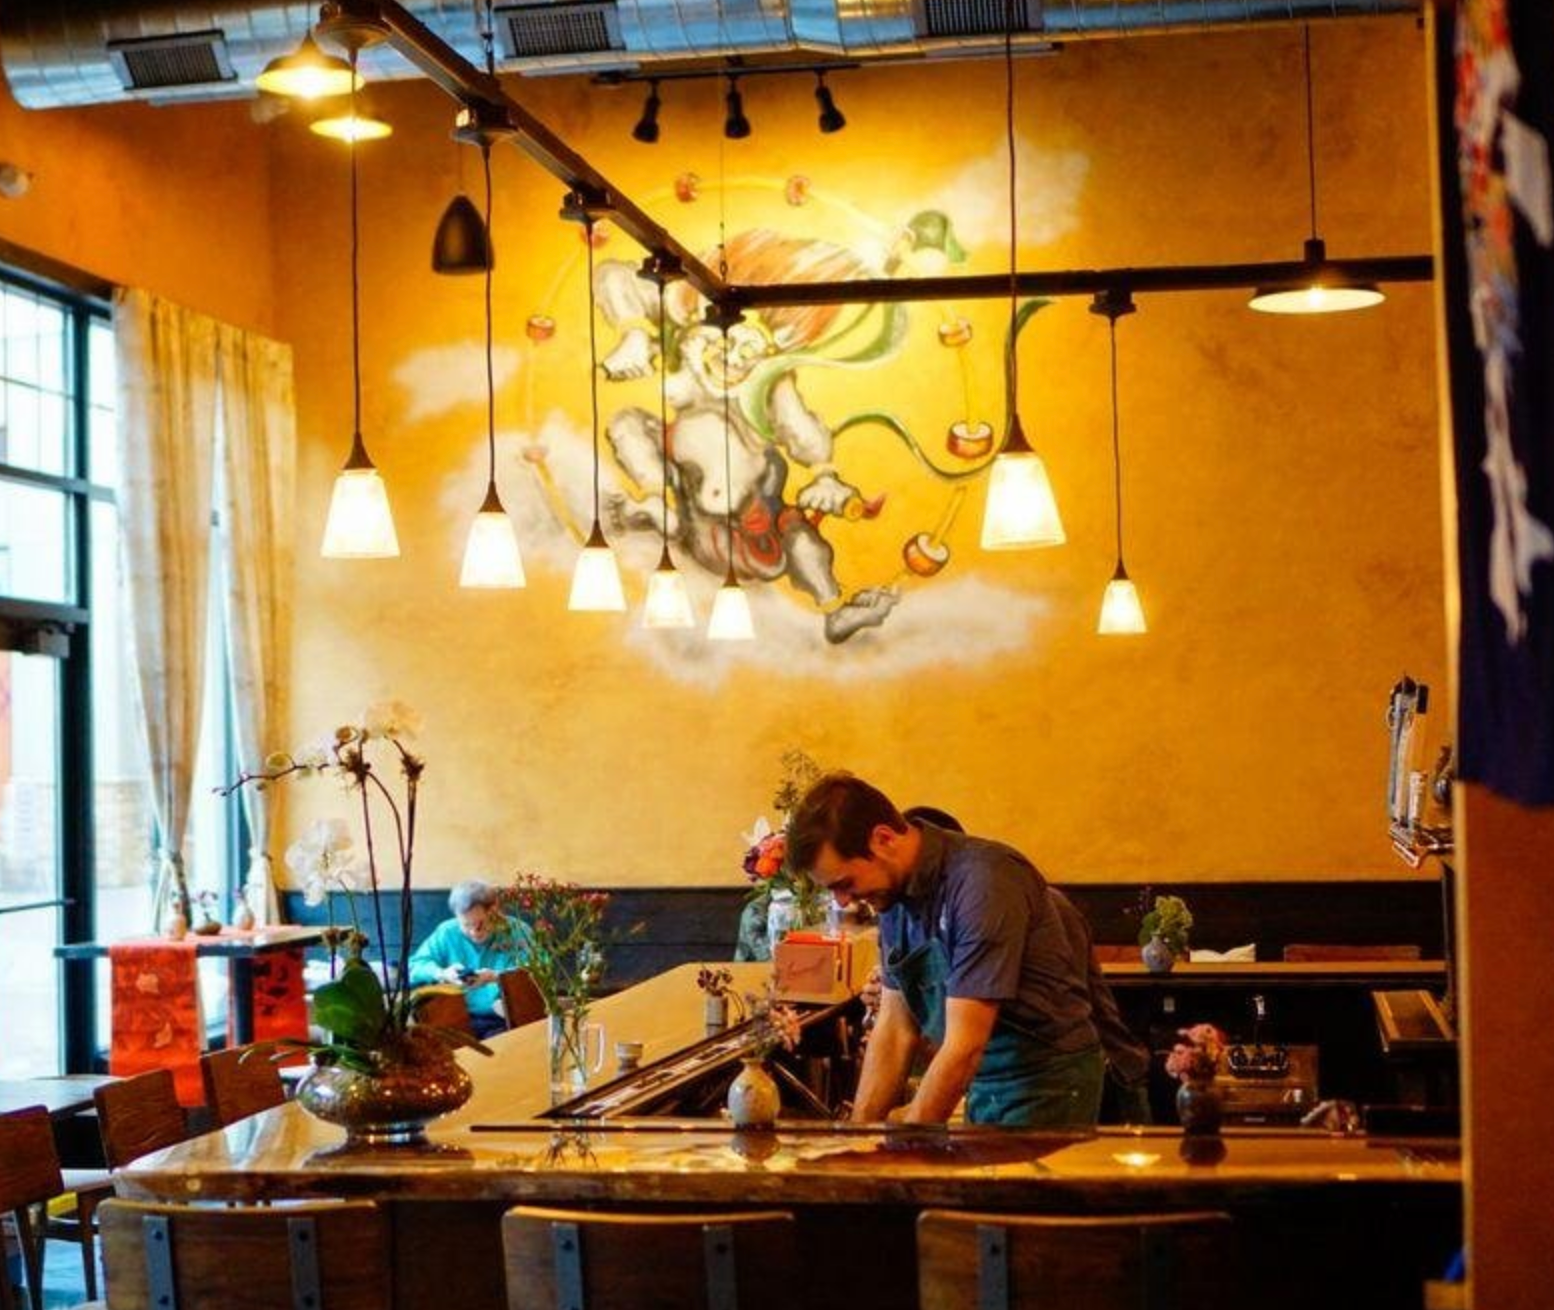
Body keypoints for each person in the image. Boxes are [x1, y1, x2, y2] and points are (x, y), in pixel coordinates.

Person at [788, 775, 1103, 1127]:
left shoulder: (982, 883)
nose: (842, 901)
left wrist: (894, 1148)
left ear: (883, 839)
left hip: (1047, 1085)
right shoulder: (892, 898)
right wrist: (857, 1137)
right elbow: (894, 1031)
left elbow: (964, 1047)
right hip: (986, 1085)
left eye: (844, 884)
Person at [407, 880, 527, 1040]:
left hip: (504, 1019)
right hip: (453, 1019)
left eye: (480, 924)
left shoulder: (517, 931)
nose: (474, 932)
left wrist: (496, 977)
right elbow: (415, 966)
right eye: (466, 925)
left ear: (494, 911)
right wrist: (442, 973)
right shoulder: (447, 932)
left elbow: (539, 973)